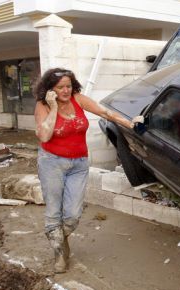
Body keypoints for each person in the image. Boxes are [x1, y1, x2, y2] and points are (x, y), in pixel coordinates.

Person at [33, 68, 138, 273]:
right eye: (60, 87)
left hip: (79, 164)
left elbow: (104, 112)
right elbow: (44, 136)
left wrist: (129, 122)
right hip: (51, 163)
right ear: (50, 89)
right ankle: (59, 255)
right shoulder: (42, 106)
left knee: (72, 215)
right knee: (54, 212)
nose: (65, 91)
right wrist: (53, 107)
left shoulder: (78, 99)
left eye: (68, 86)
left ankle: (61, 239)